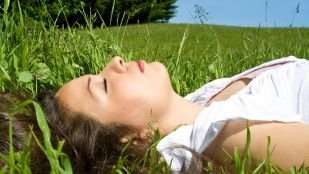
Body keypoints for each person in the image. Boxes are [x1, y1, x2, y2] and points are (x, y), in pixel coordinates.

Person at [1, 55, 309, 173]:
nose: (115, 60)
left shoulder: (200, 102)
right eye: (104, 85)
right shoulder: (216, 139)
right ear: (132, 139)